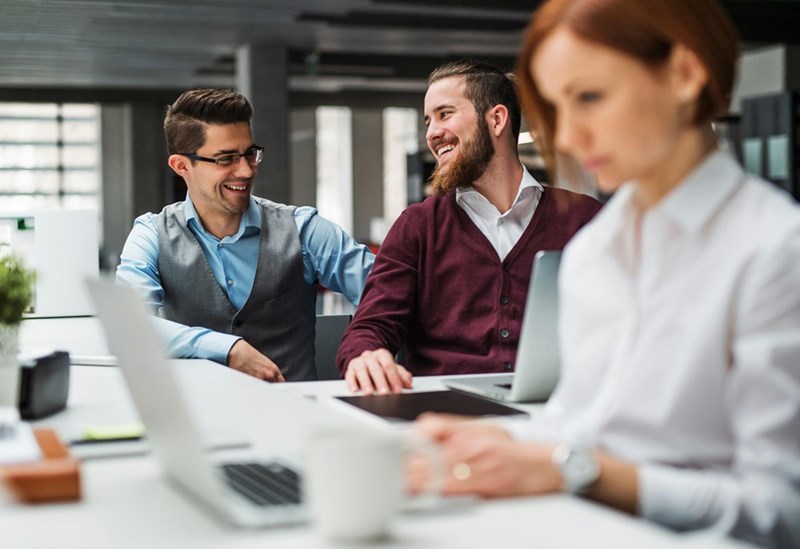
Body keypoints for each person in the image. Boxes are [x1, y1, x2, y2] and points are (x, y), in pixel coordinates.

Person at [409, 1, 800, 546]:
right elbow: (577, 425)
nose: (567, 137)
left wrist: (580, 472)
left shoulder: (776, 252)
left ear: (684, 75)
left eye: (589, 97)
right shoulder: (596, 251)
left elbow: (781, 511)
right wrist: (482, 440)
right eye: (557, 107)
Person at [336, 61, 602, 395]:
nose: (432, 133)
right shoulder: (418, 226)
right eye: (428, 121)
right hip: (448, 418)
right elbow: (370, 327)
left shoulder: (584, 218)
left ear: (496, 119)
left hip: (563, 410)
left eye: (444, 114)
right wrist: (365, 356)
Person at [117, 88, 374, 382]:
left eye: (250, 154)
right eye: (226, 159)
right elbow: (127, 327)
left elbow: (388, 294)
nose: (246, 171)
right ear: (181, 166)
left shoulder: (304, 230)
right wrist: (227, 348)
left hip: (294, 418)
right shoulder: (151, 234)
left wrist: (368, 347)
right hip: (200, 420)